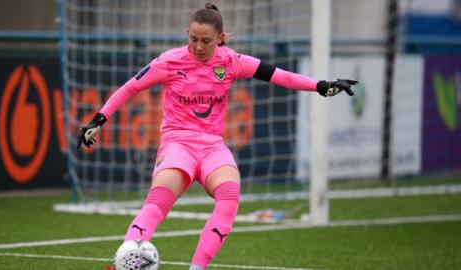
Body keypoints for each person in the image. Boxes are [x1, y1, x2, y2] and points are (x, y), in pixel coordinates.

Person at [77, 3, 356, 270]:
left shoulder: (232, 61)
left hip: (212, 146)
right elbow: (129, 88)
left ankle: (197, 267)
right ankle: (128, 257)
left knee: (230, 195)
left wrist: (321, 86)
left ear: (220, 39)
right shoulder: (169, 61)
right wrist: (98, 120)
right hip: (178, 143)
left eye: (206, 41)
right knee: (159, 199)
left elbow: (280, 76)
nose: (198, 46)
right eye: (193, 39)